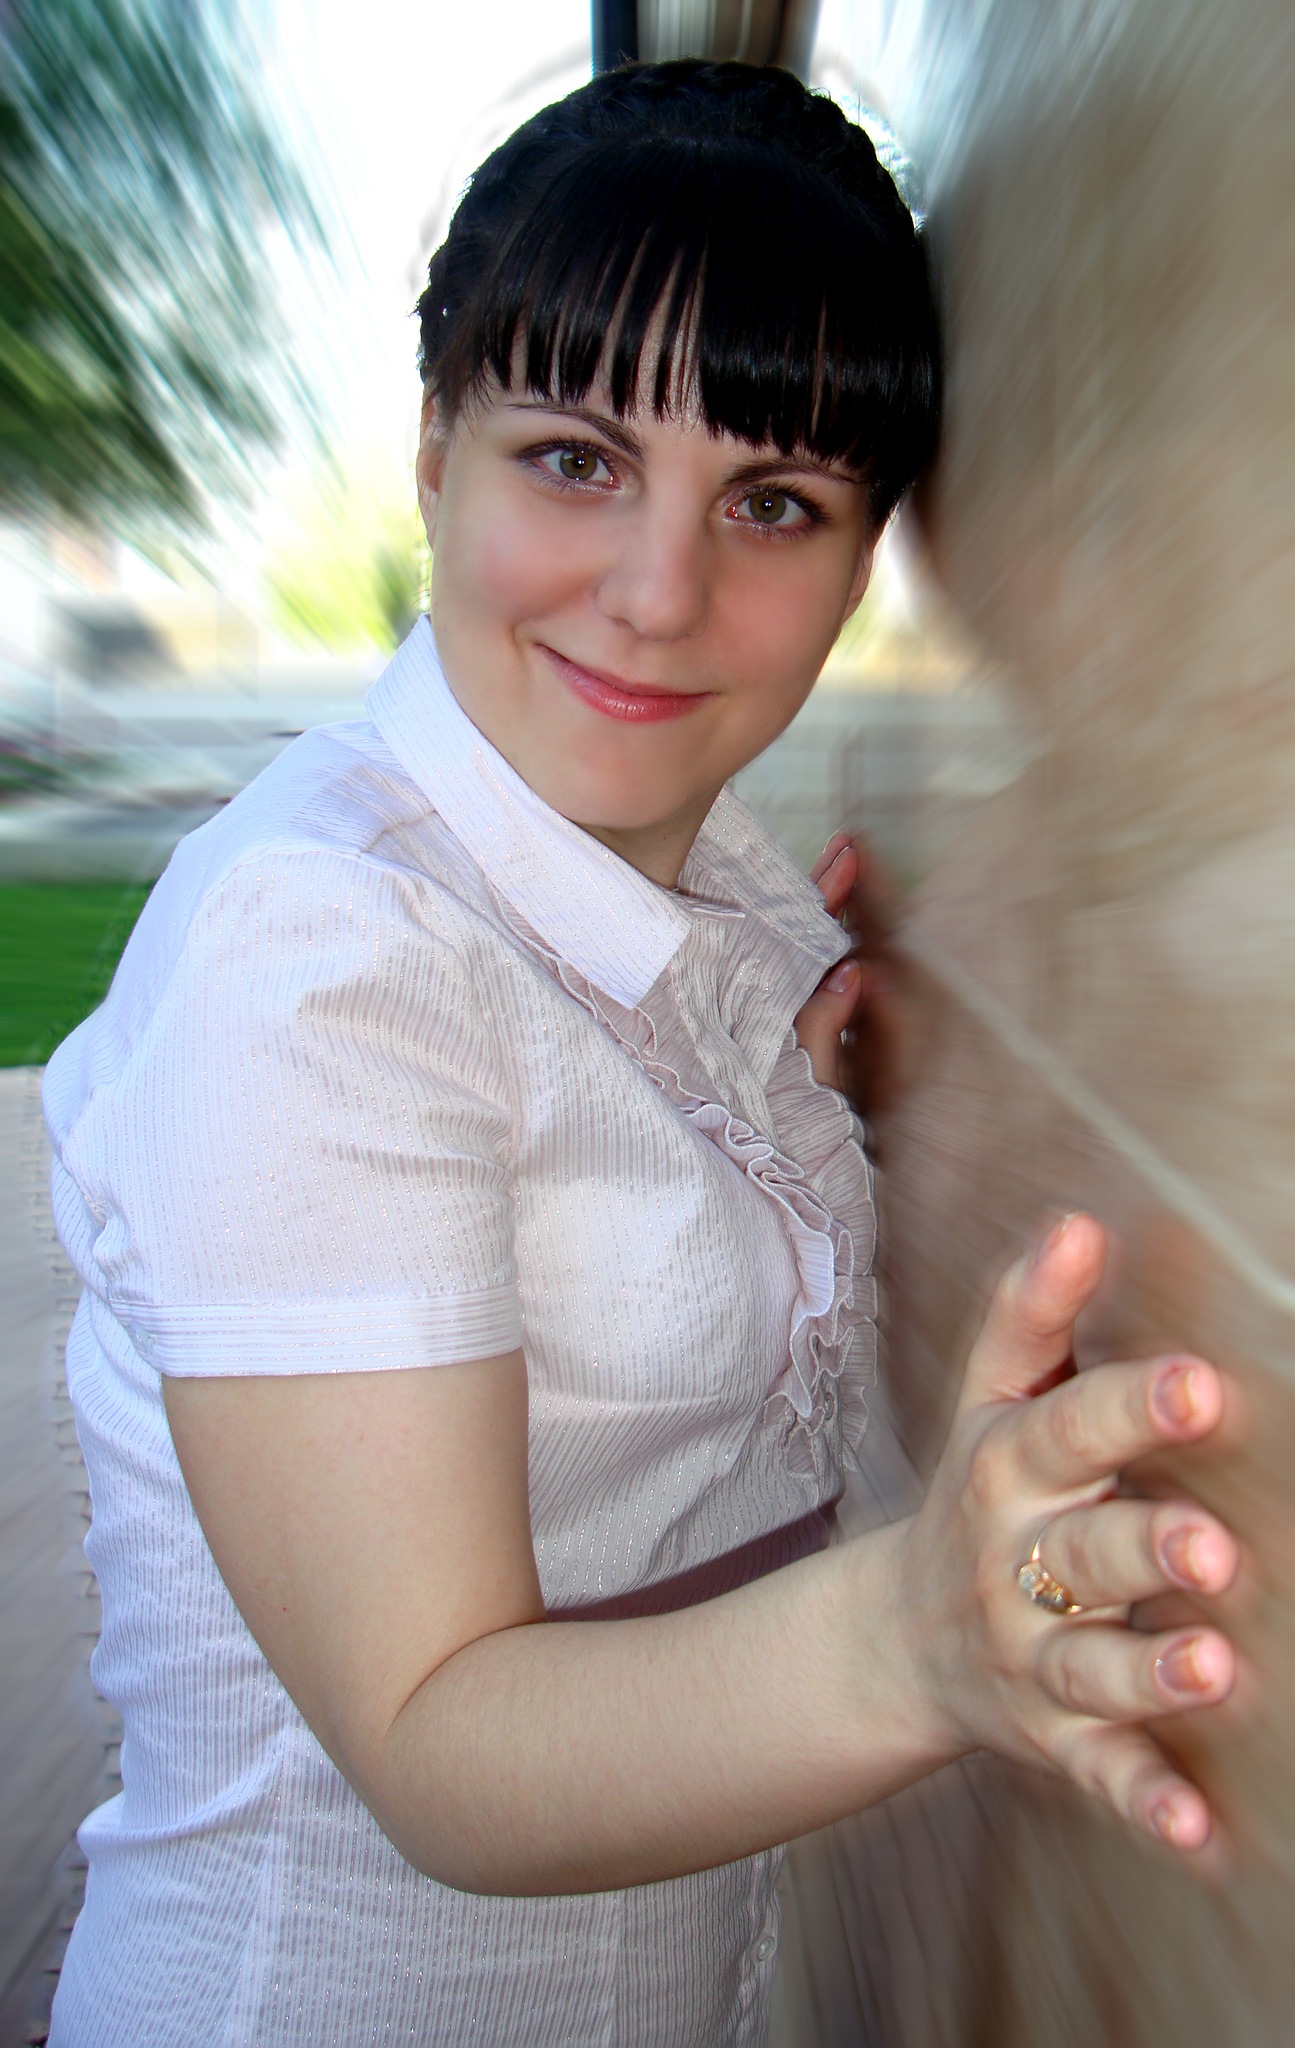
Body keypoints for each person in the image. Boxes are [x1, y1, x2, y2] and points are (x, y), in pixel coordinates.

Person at [42, 60, 1239, 2048]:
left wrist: (822, 1088)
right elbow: (436, 1741)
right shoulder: (316, 955)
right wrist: (928, 1633)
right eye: (576, 458)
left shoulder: (717, 900)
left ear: (867, 556)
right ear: (435, 451)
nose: (662, 593)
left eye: (773, 503)